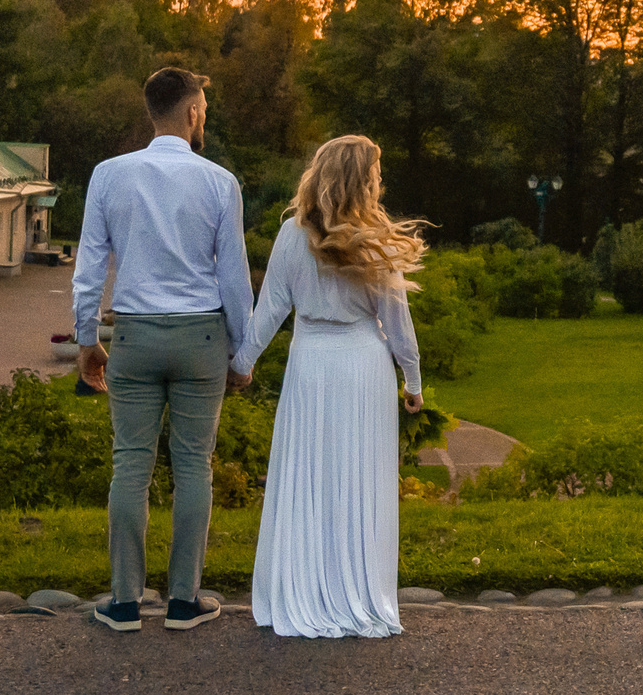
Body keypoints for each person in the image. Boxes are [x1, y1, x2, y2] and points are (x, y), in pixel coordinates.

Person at [72, 67, 255, 634]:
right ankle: (183, 600)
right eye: (205, 108)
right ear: (193, 112)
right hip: (201, 336)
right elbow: (234, 278)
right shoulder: (220, 182)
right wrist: (241, 352)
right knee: (193, 466)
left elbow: (88, 269)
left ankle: (124, 602)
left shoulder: (109, 175)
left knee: (131, 465)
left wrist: (87, 340)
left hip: (135, 335)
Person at [234, 134, 427, 639]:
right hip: (364, 365)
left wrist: (242, 362)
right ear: (364, 181)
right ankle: (357, 591)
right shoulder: (377, 240)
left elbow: (271, 307)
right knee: (358, 477)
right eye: (376, 175)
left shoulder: (290, 236)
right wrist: (413, 382)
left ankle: (303, 587)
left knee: (309, 473)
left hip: (311, 364)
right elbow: (398, 324)